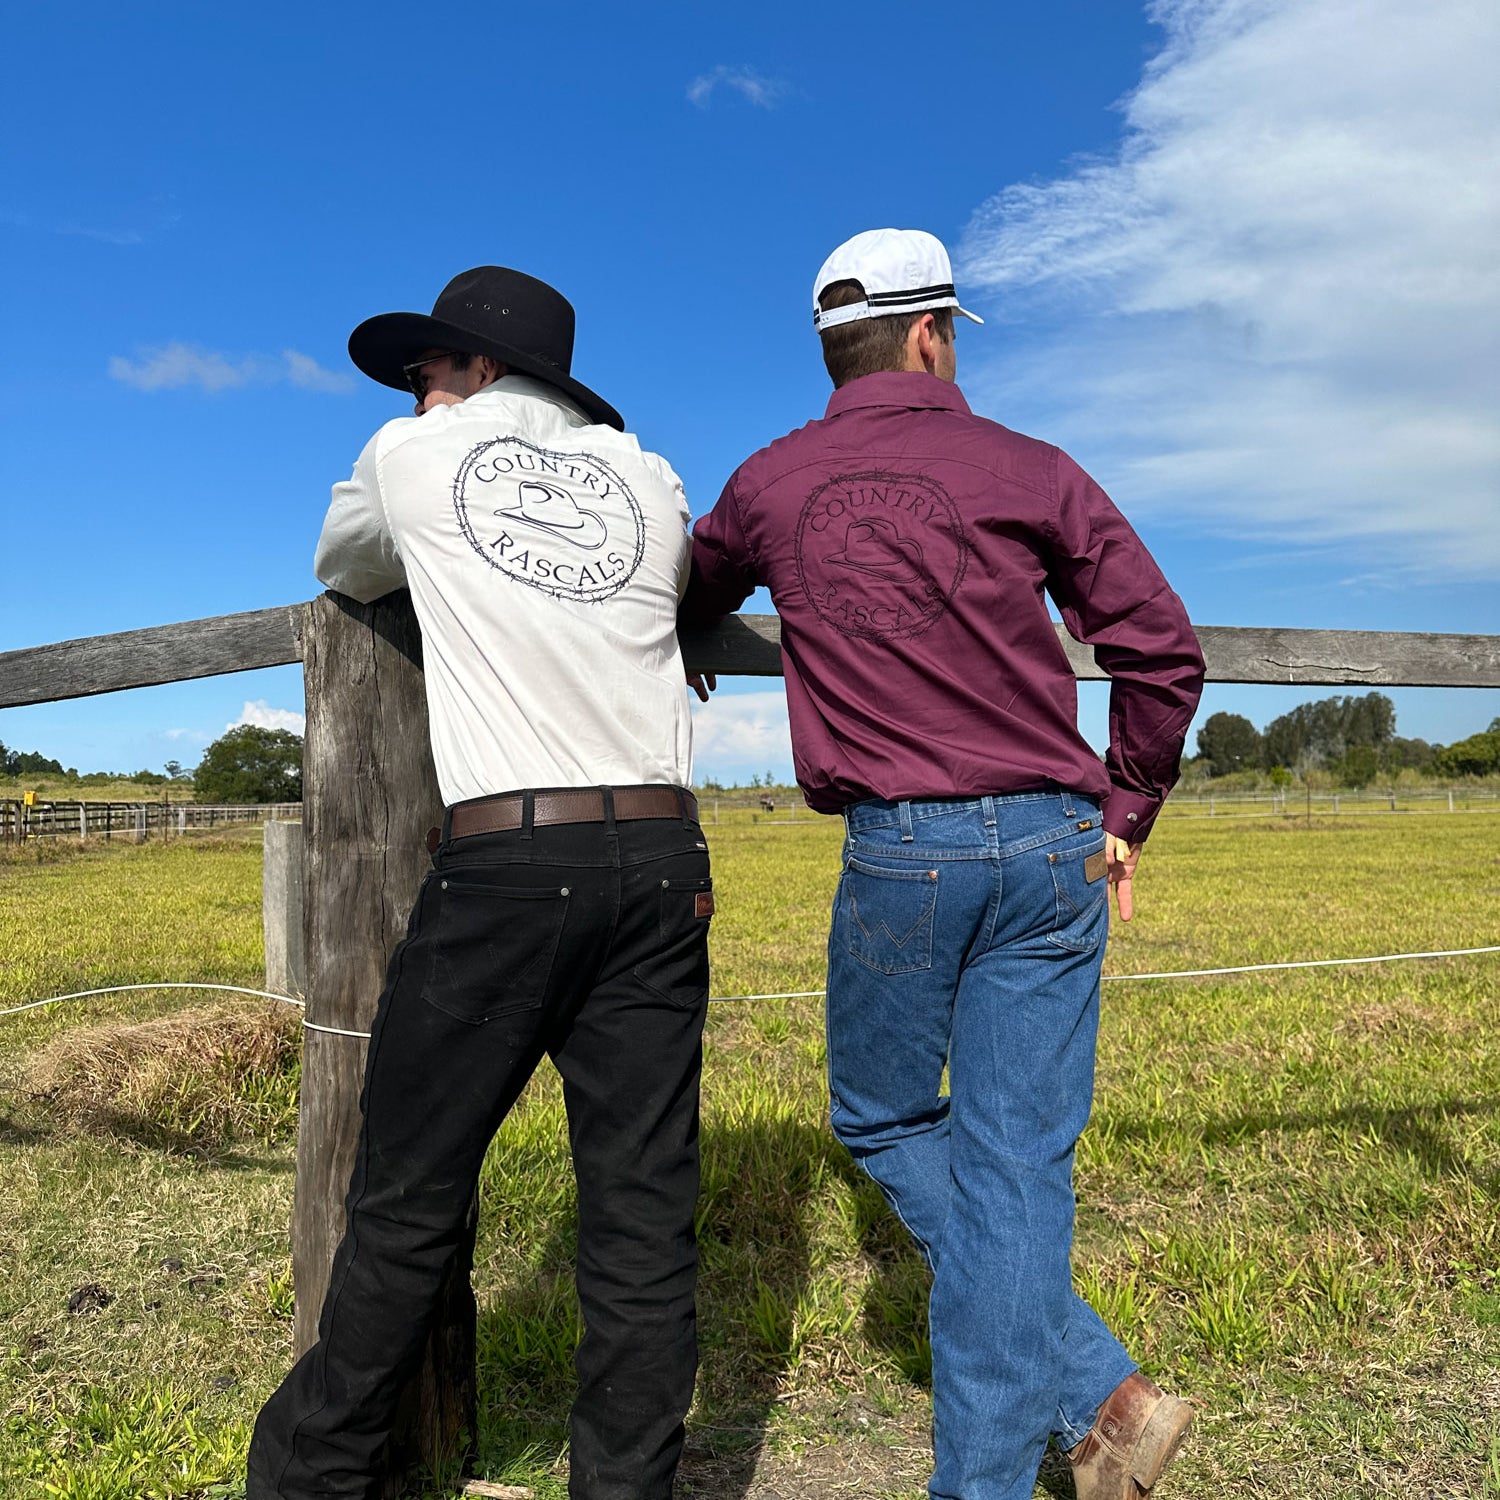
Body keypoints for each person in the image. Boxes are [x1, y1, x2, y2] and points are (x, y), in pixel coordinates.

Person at [679, 229, 1206, 1500]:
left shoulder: (772, 480)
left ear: (833, 346)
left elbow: (685, 578)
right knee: (1018, 1164)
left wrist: (698, 625)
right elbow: (1160, 645)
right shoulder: (1028, 466)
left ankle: (1089, 1410)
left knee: (882, 1115)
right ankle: (1093, 1406)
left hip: (903, 848)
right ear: (934, 331)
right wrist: (1126, 804)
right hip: (1050, 839)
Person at [248, 266, 714, 1500]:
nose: (414, 391)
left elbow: (345, 567)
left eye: (425, 368)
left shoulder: (418, 455)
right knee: (640, 1211)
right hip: (667, 859)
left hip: (514, 854)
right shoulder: (653, 478)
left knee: (406, 1194)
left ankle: (316, 1478)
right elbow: (677, 592)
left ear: (471, 370)